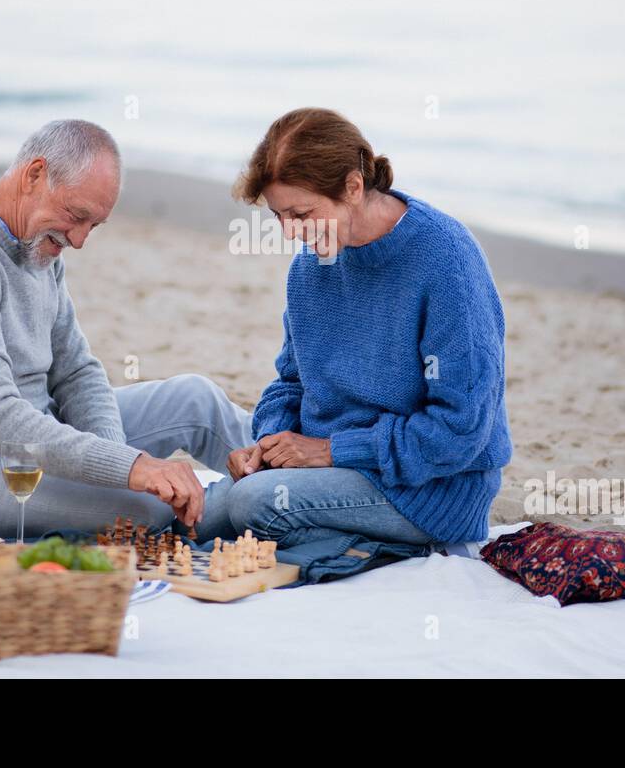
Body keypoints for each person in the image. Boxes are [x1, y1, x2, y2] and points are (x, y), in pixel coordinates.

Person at [0, 119, 253, 538]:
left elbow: (76, 371)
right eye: (77, 216)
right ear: (34, 175)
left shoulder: (38, 239)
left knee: (195, 400)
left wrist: (115, 459)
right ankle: (263, 510)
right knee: (147, 508)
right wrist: (133, 471)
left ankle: (292, 480)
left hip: (36, 435)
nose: (80, 240)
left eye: (94, 225)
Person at [195, 107, 513, 549]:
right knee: (199, 517)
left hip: (428, 491)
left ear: (353, 186)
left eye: (301, 214)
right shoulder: (309, 266)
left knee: (252, 504)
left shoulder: (447, 262)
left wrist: (328, 451)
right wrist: (269, 443)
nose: (290, 233)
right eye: (278, 216)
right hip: (324, 470)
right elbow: (290, 382)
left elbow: (460, 433)